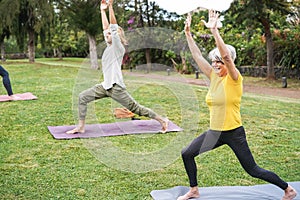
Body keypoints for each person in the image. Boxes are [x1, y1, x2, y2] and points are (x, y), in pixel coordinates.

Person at [177, 10, 297, 200]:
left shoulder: (234, 78)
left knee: (253, 170)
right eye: (214, 62)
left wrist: (215, 31)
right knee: (187, 153)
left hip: (233, 132)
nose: (216, 65)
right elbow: (198, 56)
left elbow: (226, 57)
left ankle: (287, 189)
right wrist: (188, 34)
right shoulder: (214, 76)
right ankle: (194, 190)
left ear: (229, 62)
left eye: (219, 62)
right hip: (214, 133)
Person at [66, 0, 168, 134]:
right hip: (105, 86)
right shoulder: (109, 46)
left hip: (116, 87)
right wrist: (102, 11)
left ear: (117, 36)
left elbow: (113, 28)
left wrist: (111, 8)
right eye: (106, 34)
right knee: (82, 97)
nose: (106, 35)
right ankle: (81, 126)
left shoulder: (118, 47)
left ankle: (162, 120)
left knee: (136, 109)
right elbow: (106, 28)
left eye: (110, 34)